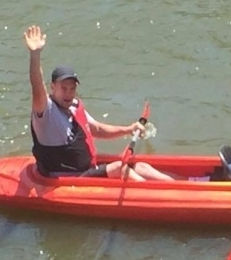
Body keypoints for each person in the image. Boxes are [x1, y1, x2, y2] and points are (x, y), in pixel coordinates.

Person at [23, 25, 174, 180]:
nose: (68, 93)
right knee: (119, 168)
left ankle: (176, 185)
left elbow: (96, 129)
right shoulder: (46, 112)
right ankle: (158, 196)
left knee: (141, 166)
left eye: (72, 88)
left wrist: (128, 129)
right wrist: (35, 54)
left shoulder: (74, 106)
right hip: (69, 179)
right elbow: (37, 87)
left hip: (89, 170)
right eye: (64, 88)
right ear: (53, 87)